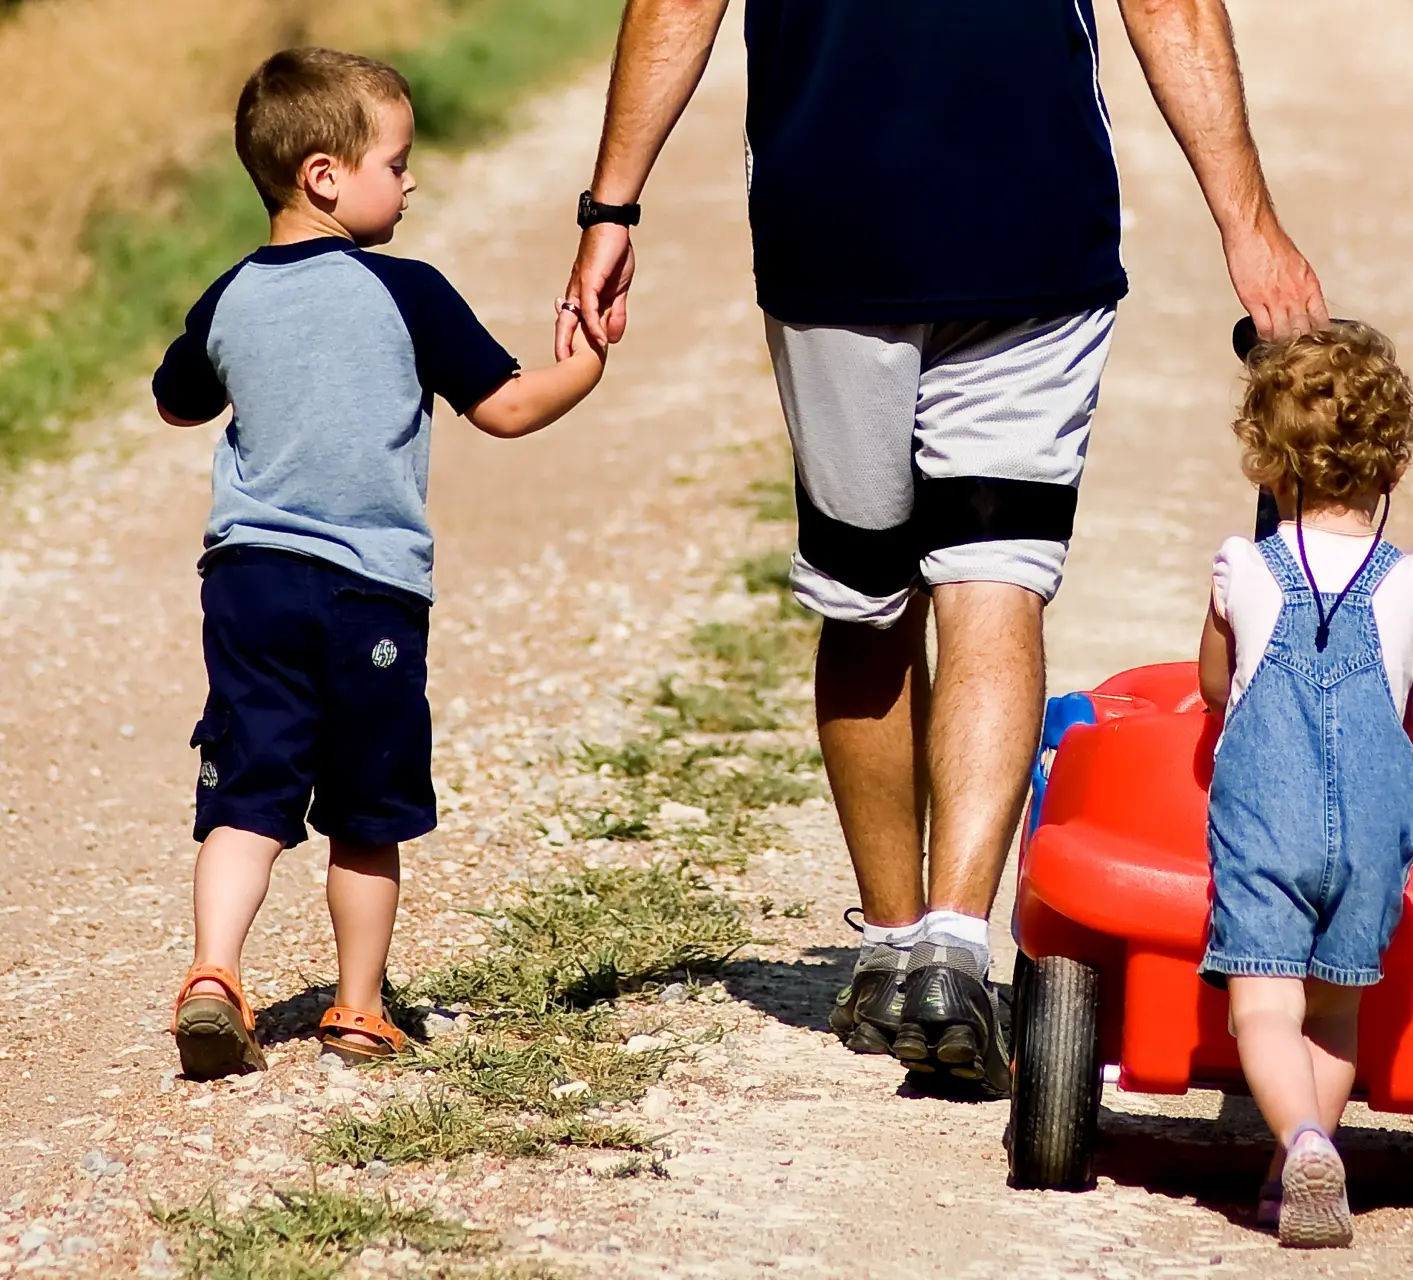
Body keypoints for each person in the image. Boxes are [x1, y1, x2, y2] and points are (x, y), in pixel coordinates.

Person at [559, 0, 1327, 1096]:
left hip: (836, 227)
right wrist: (1247, 222)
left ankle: (890, 948)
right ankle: (954, 948)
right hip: (1032, 217)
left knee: (865, 593)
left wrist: (612, 205)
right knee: (994, 576)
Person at [152, 47, 607, 1080]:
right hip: (371, 592)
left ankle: (215, 972)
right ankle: (358, 1005)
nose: (409, 183)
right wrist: (585, 363)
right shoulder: (408, 290)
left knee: (246, 789)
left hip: (249, 583)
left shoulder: (228, 297)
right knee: (365, 808)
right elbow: (506, 407)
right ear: (324, 175)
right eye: (396, 164)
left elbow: (175, 398)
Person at [1197, 322, 1413, 1246]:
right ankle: (1299, 1164)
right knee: (1335, 1003)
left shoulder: (1245, 567)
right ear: (1393, 467)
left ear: (1268, 462)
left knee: (1265, 1001)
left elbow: (1216, 688)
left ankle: (1299, 1138)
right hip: (1378, 815)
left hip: (1266, 811)